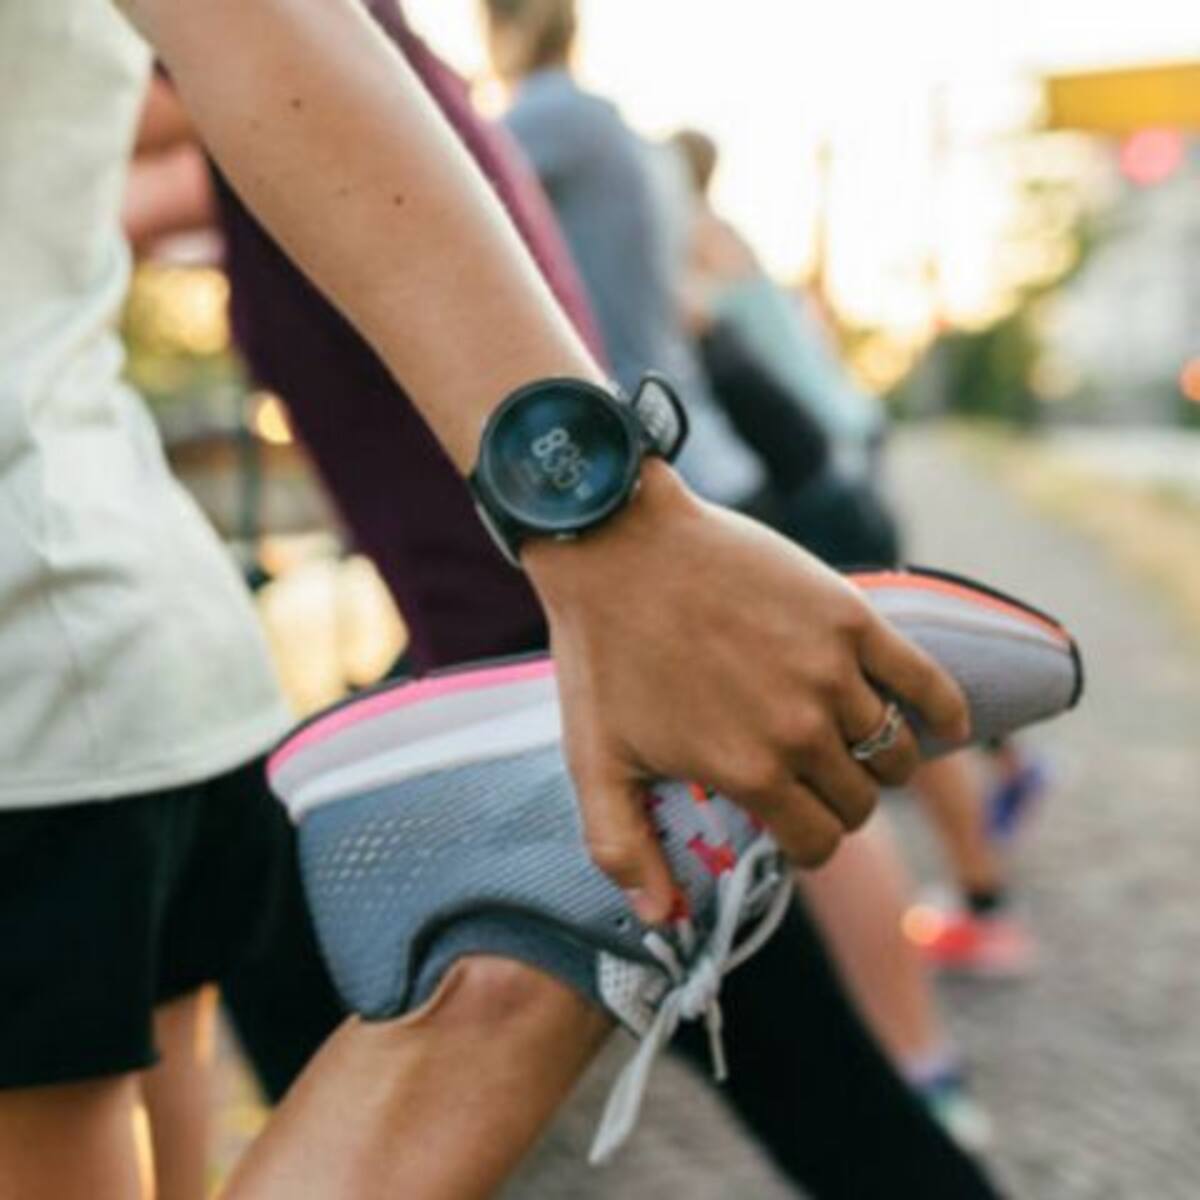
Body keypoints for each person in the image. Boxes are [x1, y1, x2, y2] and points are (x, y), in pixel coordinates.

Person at [1, 2, 975, 1198]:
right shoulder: (299, 109)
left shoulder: (331, 93)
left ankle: (531, 976)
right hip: (210, 659)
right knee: (805, 1080)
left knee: (811, 1083)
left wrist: (608, 530)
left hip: (485, 648)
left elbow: (260, 39)